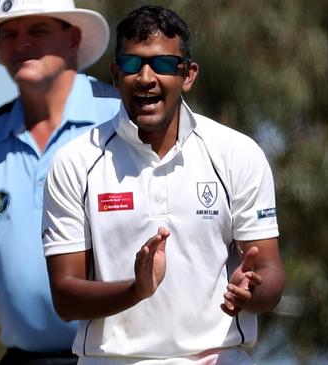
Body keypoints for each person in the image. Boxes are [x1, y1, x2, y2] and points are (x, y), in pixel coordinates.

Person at [41, 5, 285, 365]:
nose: (145, 77)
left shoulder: (236, 153)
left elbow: (270, 271)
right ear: (114, 73)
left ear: (188, 75)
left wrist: (254, 291)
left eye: (164, 65)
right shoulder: (75, 161)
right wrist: (135, 289)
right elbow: (65, 298)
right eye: (131, 64)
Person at [0, 0, 120, 364]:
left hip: (118, 358)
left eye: (38, 30)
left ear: (73, 38)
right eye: (9, 34)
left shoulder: (120, 117)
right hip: (24, 358)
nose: (22, 43)